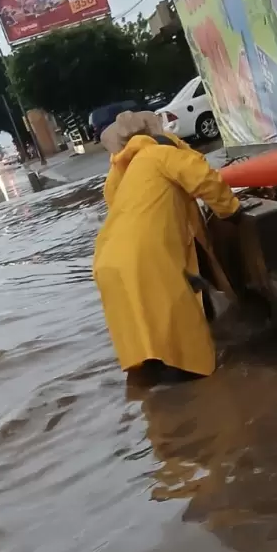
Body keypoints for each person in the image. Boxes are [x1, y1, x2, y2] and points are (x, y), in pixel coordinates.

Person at [93, 111, 241, 381]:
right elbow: (203, 177)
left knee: (142, 335)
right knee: (184, 334)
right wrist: (231, 211)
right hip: (147, 257)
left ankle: (157, 392)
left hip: (108, 262)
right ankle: (200, 383)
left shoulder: (118, 174)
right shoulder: (159, 154)